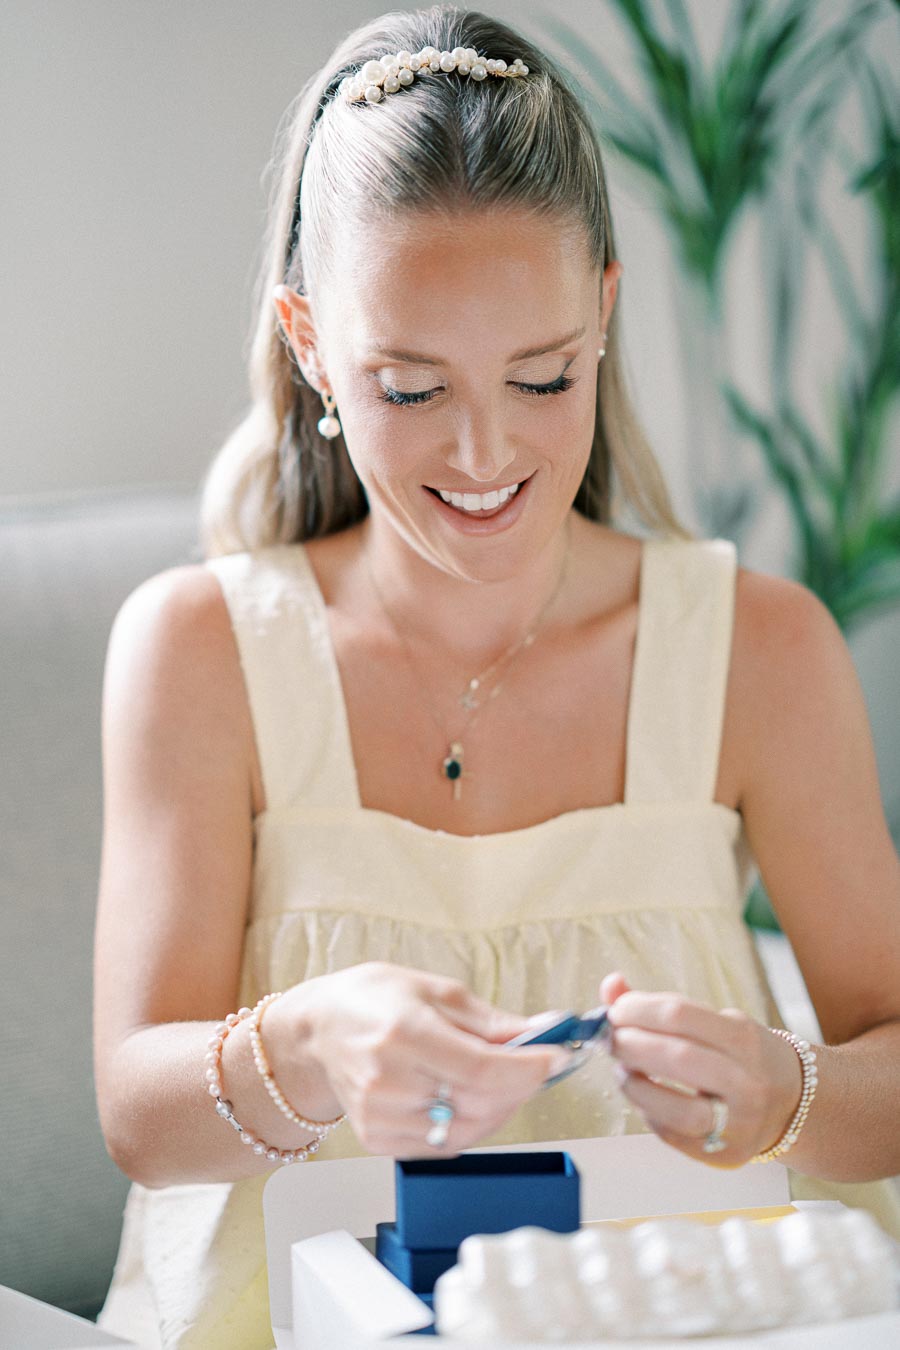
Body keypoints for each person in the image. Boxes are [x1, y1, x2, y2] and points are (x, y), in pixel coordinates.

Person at [93, 6, 900, 1347]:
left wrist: (787, 1088)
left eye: (541, 376)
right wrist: (306, 1040)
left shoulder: (759, 650)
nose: (483, 456)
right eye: (410, 387)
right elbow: (139, 1114)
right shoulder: (200, 652)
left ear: (604, 310)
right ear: (309, 343)